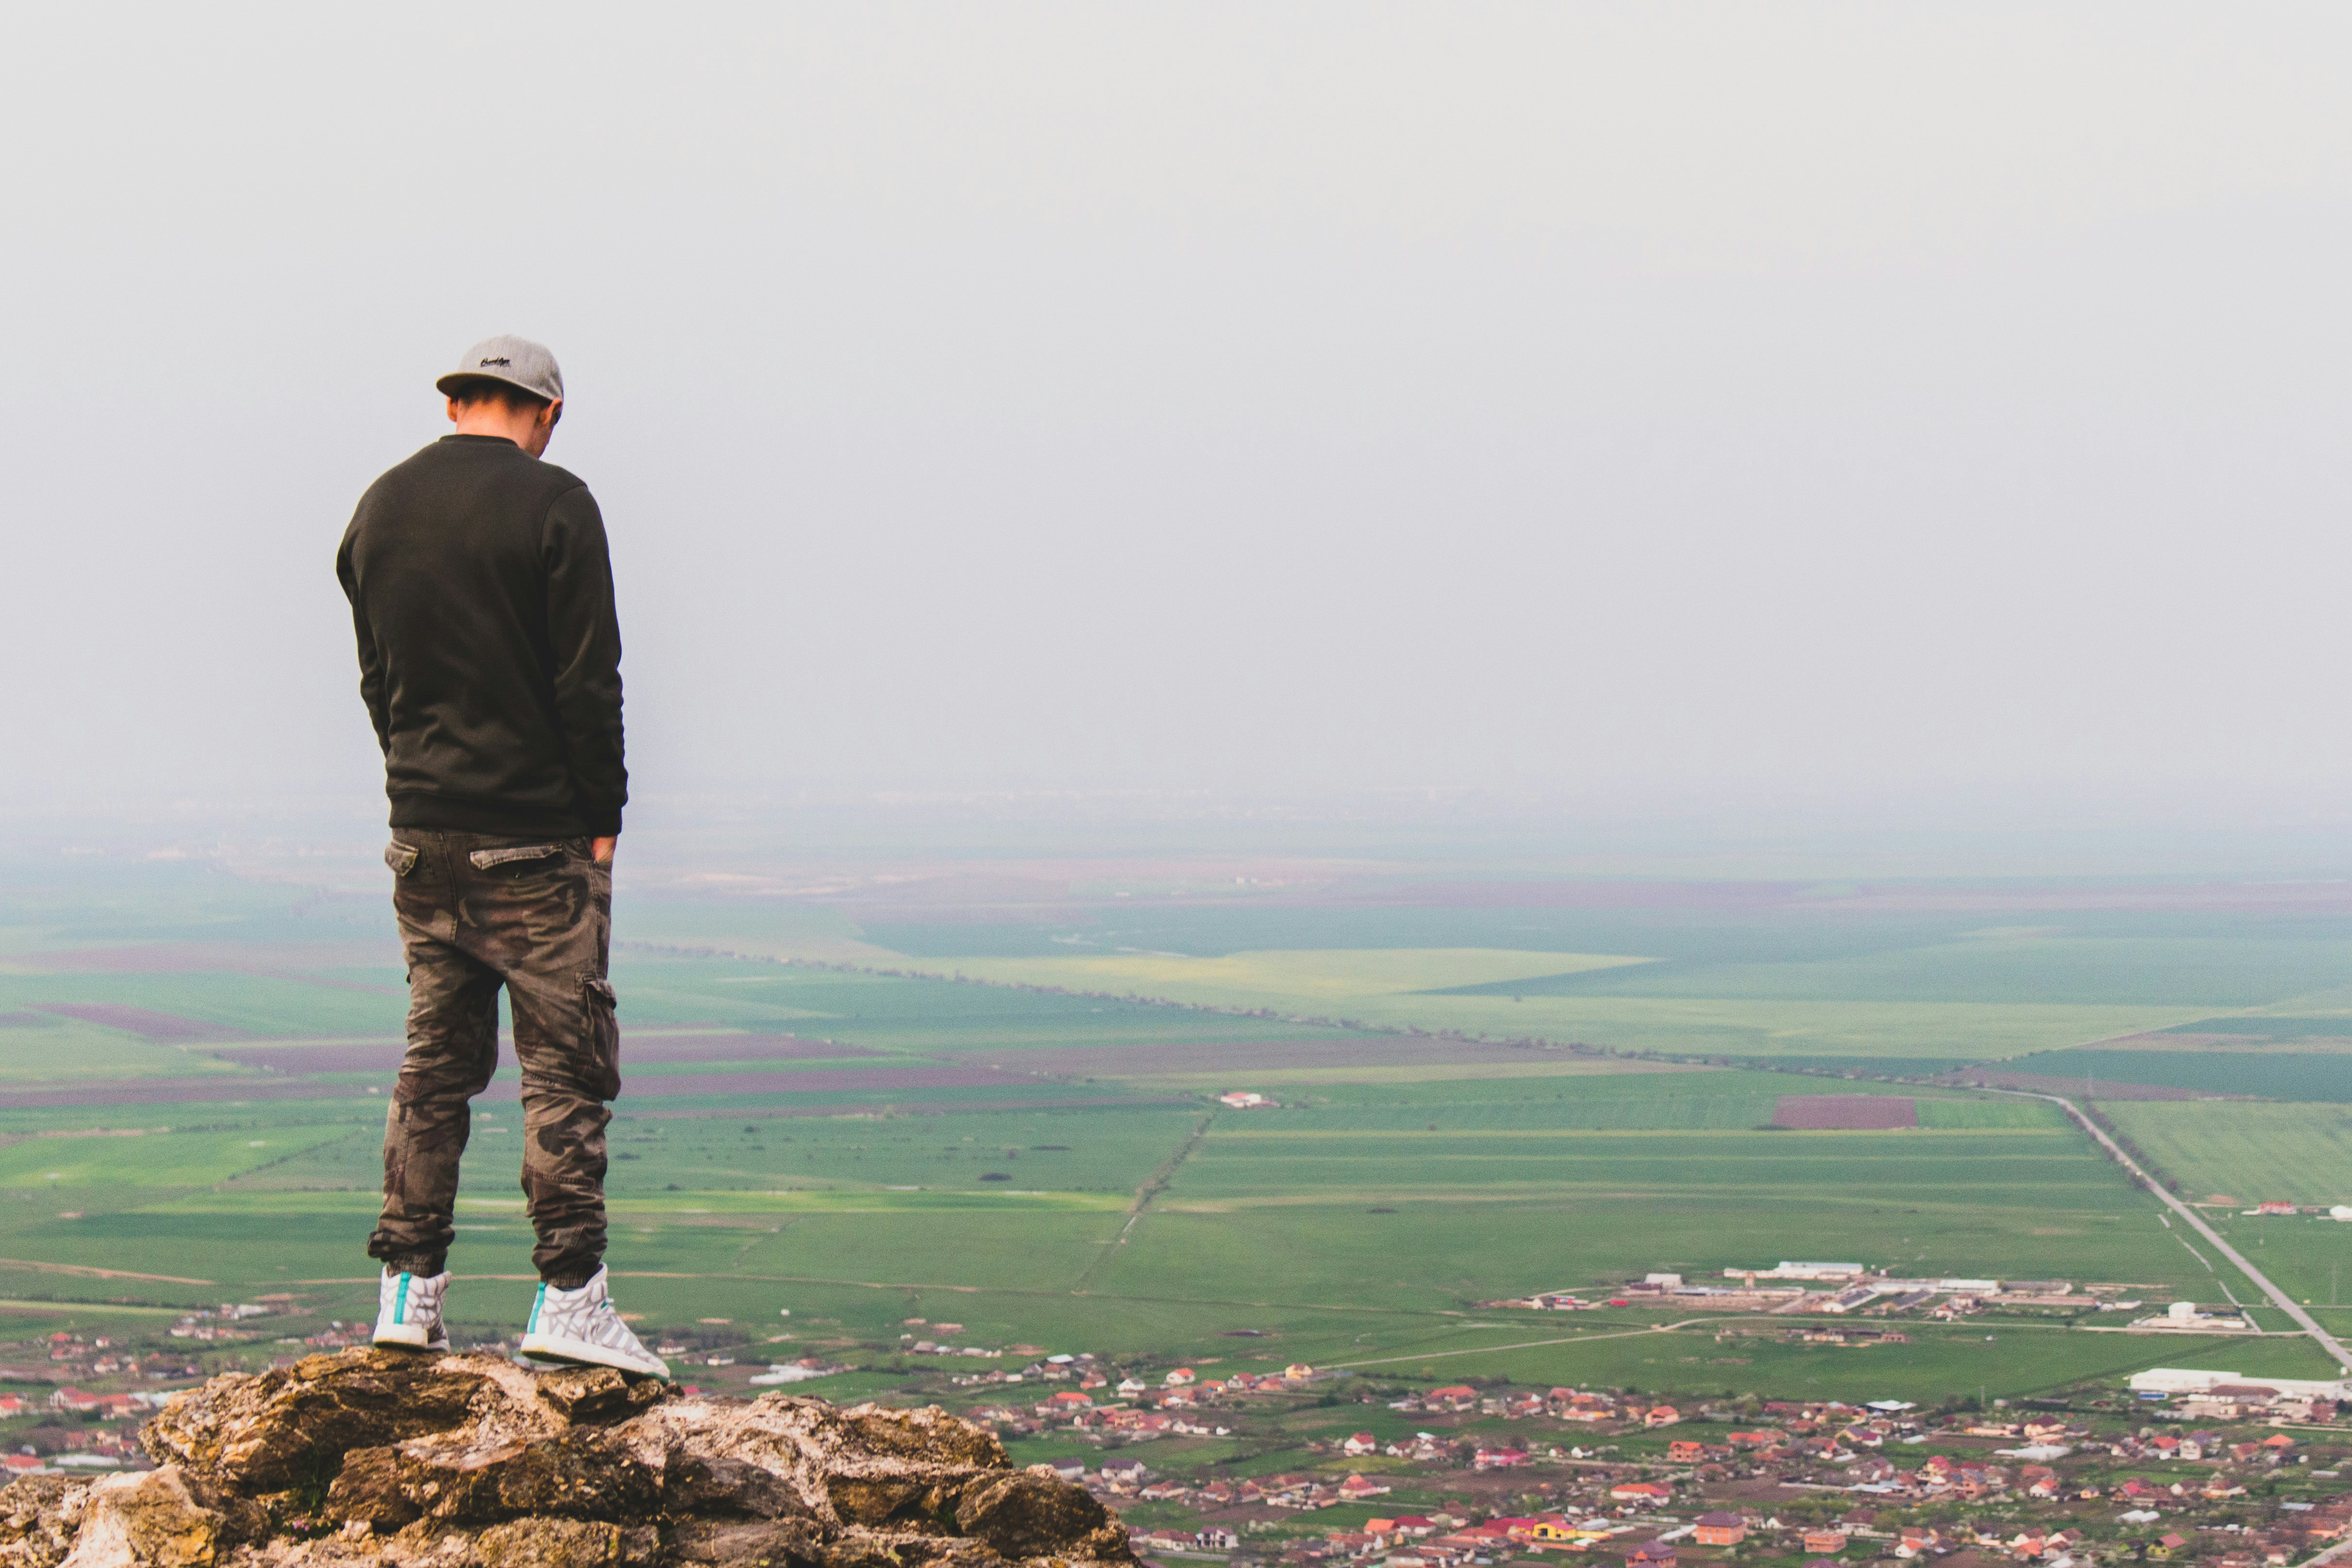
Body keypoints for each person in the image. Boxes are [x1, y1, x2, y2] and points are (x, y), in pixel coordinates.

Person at [336, 334, 665, 1377]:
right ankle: (571, 1298)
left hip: (421, 836)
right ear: (545, 412)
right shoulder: (557, 502)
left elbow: (377, 678)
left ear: (456, 406)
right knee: (564, 1068)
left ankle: (408, 1291)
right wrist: (602, 813)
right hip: (535, 839)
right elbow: (588, 675)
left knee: (434, 1064)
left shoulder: (378, 507)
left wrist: (414, 785)